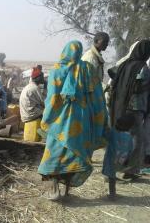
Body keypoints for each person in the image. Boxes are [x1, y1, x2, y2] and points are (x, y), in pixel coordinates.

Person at [38, 40, 108, 201]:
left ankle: (54, 188)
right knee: (75, 154)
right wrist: (99, 119)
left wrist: (47, 119)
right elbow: (97, 96)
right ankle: (67, 190)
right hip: (82, 119)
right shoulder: (88, 69)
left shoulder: (56, 70)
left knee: (54, 152)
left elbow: (53, 99)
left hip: (60, 120)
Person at [108, 39, 150, 180]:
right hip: (135, 109)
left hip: (120, 107)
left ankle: (112, 168)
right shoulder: (143, 67)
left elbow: (113, 79)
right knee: (138, 141)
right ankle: (130, 171)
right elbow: (139, 87)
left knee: (119, 138)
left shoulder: (124, 64)